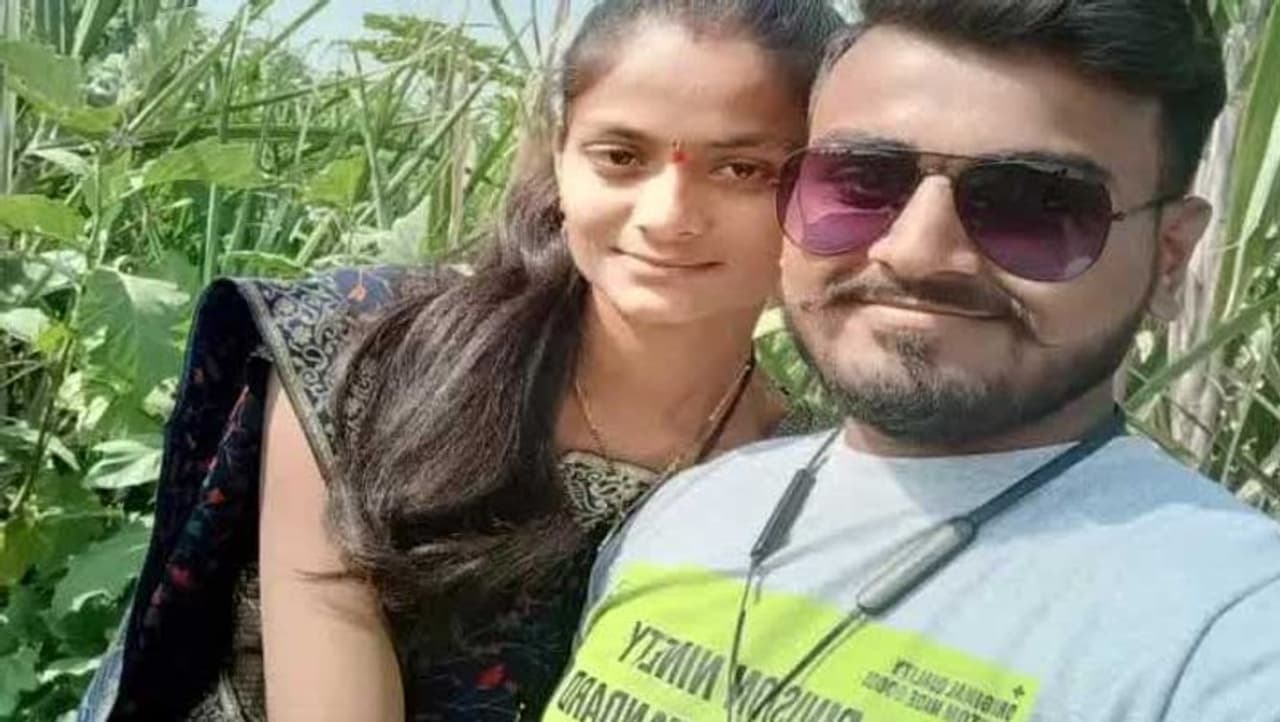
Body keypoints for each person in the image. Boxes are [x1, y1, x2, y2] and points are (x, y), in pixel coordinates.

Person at [76, 2, 845, 721]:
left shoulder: (813, 489)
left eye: (742, 169)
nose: (668, 217)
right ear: (560, 156)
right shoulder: (370, 353)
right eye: (619, 156)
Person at [543, 1, 1280, 720]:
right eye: (862, 182)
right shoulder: (686, 509)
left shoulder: (1227, 622)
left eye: (1032, 205)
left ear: (1170, 258)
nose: (916, 251)